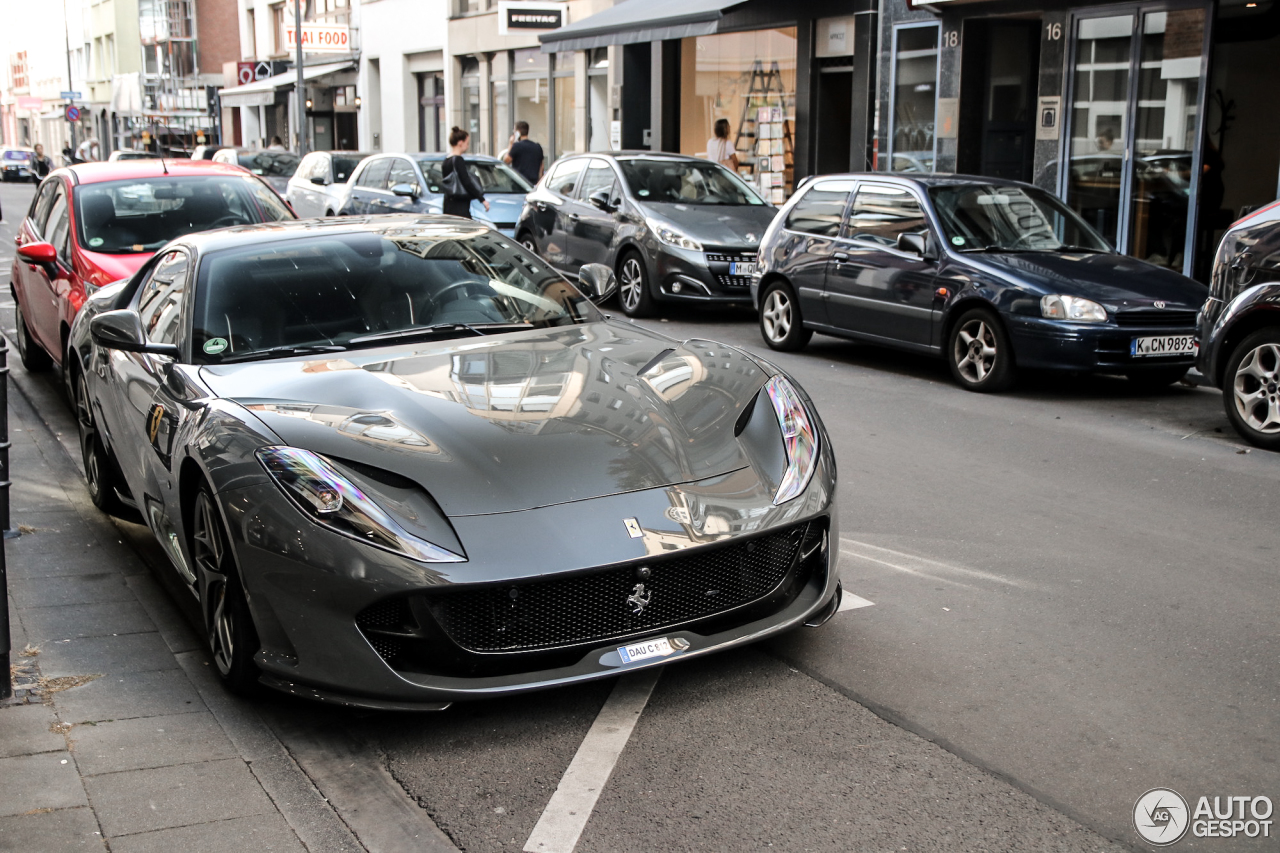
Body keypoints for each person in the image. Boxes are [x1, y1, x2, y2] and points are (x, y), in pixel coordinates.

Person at [442, 127, 489, 220]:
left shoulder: (446, 161)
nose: (467, 146)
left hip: (449, 203)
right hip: (460, 205)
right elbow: (466, 182)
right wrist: (482, 199)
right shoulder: (458, 160)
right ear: (460, 143)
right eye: (467, 143)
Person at [503, 121, 544, 185]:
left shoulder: (516, 146)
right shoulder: (537, 147)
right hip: (533, 183)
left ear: (517, 133)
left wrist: (510, 144)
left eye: (514, 132)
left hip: (519, 184)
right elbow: (541, 168)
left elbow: (506, 160)